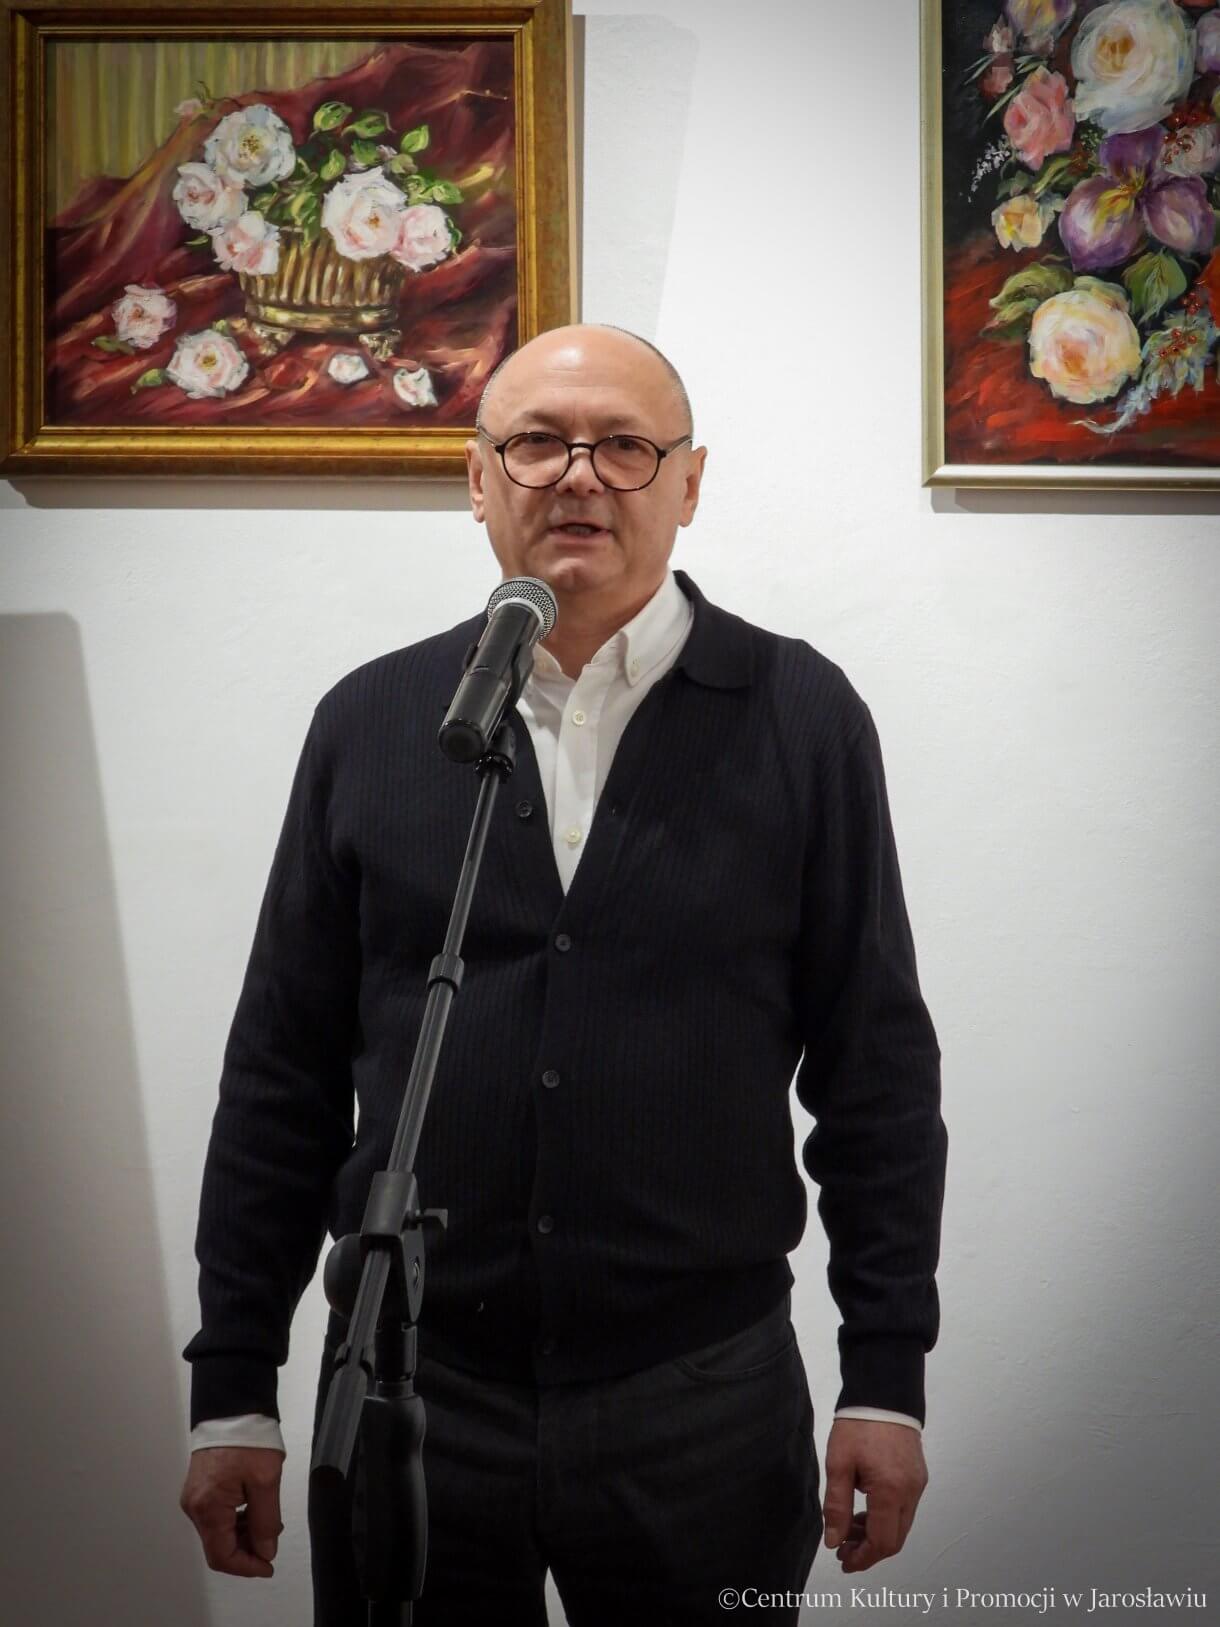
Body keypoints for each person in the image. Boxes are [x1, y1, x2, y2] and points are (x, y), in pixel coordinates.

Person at [179, 324, 948, 1625]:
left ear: (688, 484)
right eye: (538, 442)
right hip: (412, 1387)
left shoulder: (799, 716)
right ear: (479, 479)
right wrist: (233, 1388)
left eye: (624, 446)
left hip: (700, 1395)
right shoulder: (375, 722)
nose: (580, 475)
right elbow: (280, 1076)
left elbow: (875, 1071)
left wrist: (886, 1376)